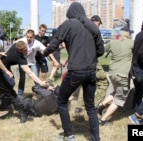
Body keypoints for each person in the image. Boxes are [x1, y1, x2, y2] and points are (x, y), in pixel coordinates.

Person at [43, 2, 104, 141]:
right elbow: (101, 50)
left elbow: (54, 43)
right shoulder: (92, 26)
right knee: (90, 106)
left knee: (61, 100)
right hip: (91, 71)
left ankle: (69, 135)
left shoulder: (68, 24)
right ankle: (96, 138)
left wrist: (43, 53)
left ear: (70, 14)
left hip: (76, 71)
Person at [96, 27, 134, 125]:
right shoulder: (131, 43)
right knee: (120, 99)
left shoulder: (112, 42)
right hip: (123, 74)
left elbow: (101, 51)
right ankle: (103, 120)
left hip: (112, 73)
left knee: (116, 91)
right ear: (127, 34)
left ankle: (101, 105)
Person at [15, 29, 59, 95]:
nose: (29, 39)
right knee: (22, 79)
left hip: (32, 63)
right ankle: (20, 95)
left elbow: (47, 50)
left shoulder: (37, 43)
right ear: (25, 36)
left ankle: (43, 94)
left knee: (36, 79)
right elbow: (15, 44)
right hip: (23, 63)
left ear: (33, 37)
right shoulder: (23, 41)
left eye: (31, 37)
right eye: (27, 37)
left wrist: (54, 60)